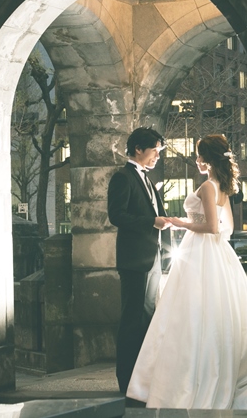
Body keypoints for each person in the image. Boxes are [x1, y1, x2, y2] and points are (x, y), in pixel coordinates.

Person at [126, 134, 247, 409]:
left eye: (199, 155)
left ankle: (185, 379)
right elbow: (225, 228)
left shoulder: (207, 186)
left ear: (207, 159)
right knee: (209, 313)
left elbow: (212, 227)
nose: (196, 159)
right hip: (216, 253)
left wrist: (182, 223)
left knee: (188, 314)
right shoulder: (223, 186)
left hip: (202, 250)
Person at [108, 126, 171, 394]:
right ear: (138, 150)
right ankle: (126, 382)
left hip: (153, 259)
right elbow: (117, 216)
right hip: (135, 261)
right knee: (132, 321)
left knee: (147, 321)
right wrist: (151, 222)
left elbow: (160, 216)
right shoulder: (122, 178)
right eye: (155, 150)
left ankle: (142, 381)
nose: (158, 156)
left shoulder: (147, 179)